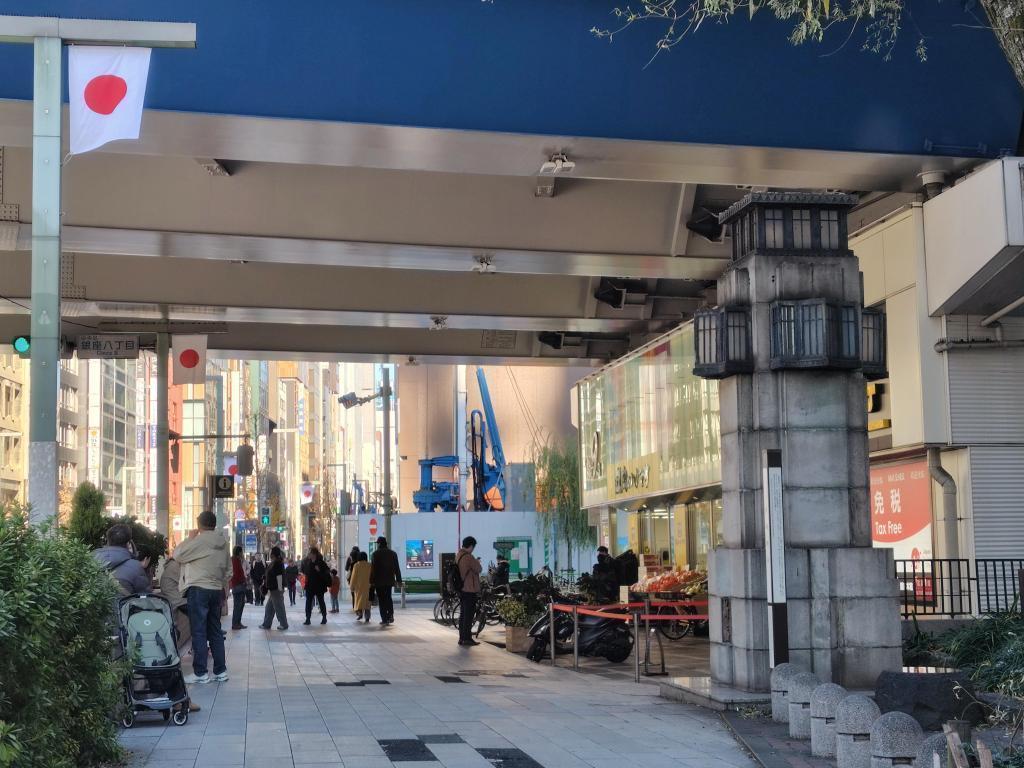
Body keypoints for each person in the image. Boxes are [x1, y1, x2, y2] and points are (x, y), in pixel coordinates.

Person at [173, 511, 230, 684]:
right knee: (215, 630)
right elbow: (228, 571)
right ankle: (221, 671)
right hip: (216, 589)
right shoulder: (223, 543)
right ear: (214, 524)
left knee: (198, 631)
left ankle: (201, 673)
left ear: (200, 524)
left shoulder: (199, 541)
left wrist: (190, 538)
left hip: (198, 589)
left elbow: (178, 555)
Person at [94, 523, 152, 596]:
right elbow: (144, 598)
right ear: (128, 543)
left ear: (108, 541)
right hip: (123, 606)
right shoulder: (135, 567)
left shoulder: (90, 560)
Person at [456, 536, 483, 647]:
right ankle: (467, 638)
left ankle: (462, 638)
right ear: (471, 546)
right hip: (469, 590)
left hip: (462, 589)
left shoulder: (459, 555)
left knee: (463, 614)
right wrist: (476, 561)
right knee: (468, 615)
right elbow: (479, 569)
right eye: (473, 547)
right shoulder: (468, 557)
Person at [370, 536, 402, 625]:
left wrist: (371, 581)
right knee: (388, 597)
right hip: (389, 581)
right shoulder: (393, 554)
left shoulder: (375, 554)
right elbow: (397, 568)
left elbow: (373, 569)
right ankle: (390, 614)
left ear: (379, 544)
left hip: (378, 581)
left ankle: (384, 619)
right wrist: (399, 580)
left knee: (381, 600)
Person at [258, 546, 289, 631]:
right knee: (269, 607)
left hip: (276, 589)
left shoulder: (278, 563)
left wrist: (279, 589)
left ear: (274, 554)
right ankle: (267, 624)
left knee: (279, 607)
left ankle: (283, 624)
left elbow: (279, 576)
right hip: (273, 589)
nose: (270, 554)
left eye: (271, 552)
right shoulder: (274, 562)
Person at [301, 547, 331, 625]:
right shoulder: (308, 562)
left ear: (314, 554)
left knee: (321, 601)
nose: (308, 554)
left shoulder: (321, 563)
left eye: (310, 553)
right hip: (310, 586)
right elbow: (305, 572)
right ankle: (308, 618)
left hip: (319, 586)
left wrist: (319, 571)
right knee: (308, 602)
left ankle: (324, 617)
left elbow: (326, 573)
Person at [349, 552, 372, 622]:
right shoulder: (370, 565)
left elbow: (353, 577)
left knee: (358, 602)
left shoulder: (356, 565)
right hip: (368, 586)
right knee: (367, 603)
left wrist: (351, 586)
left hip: (359, 587)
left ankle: (359, 614)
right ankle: (367, 617)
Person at [229, 545, 248, 630]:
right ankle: (235, 624)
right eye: (241, 551)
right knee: (238, 605)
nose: (242, 553)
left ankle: (238, 622)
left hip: (238, 585)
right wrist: (243, 581)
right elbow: (236, 574)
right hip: (238, 585)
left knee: (240, 605)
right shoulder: (235, 560)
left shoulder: (236, 560)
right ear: (239, 552)